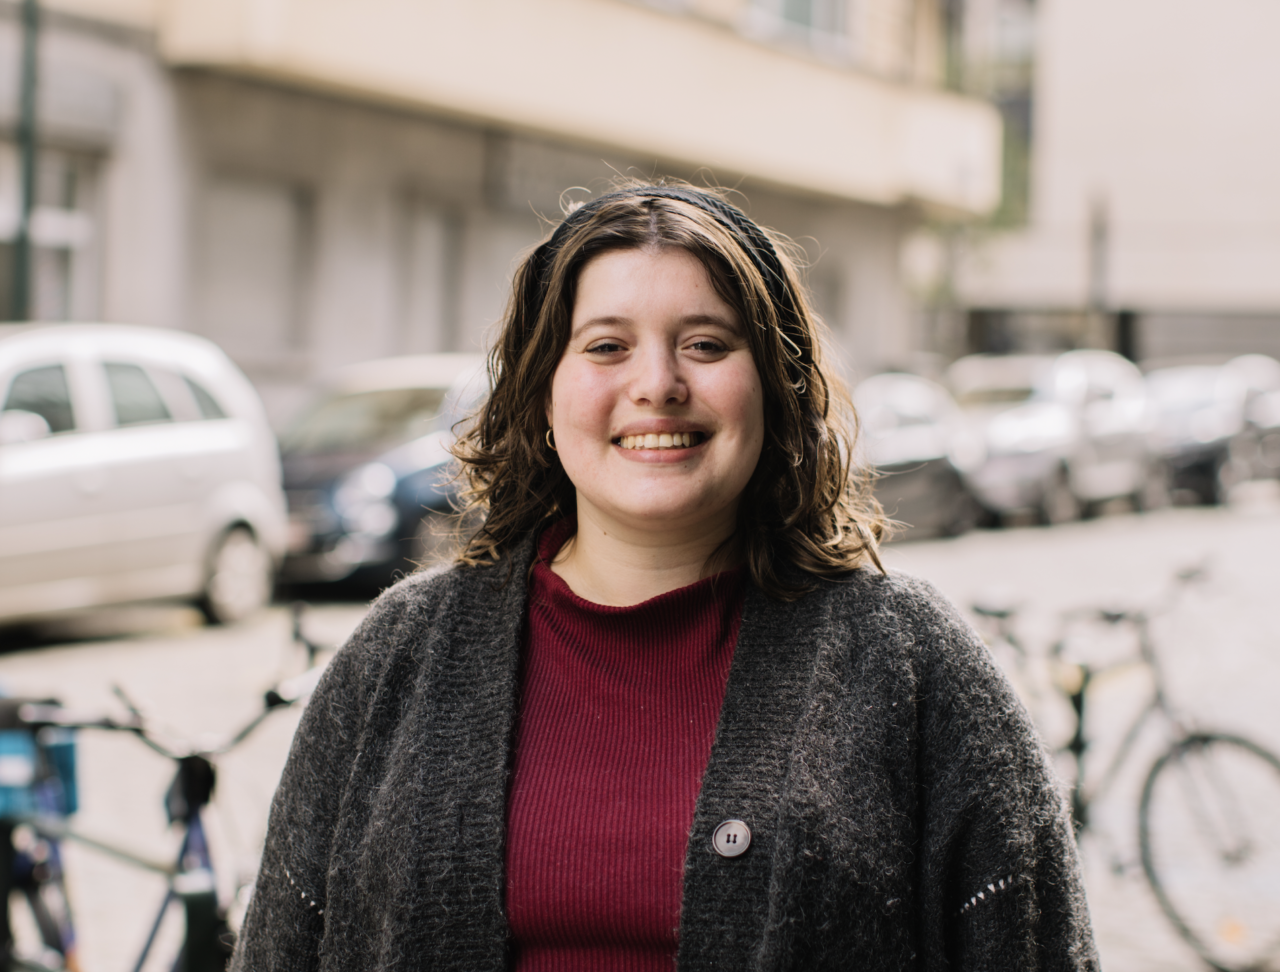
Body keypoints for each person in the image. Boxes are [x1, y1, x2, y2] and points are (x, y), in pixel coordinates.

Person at [232, 182, 1098, 971]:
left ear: (775, 387)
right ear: (542, 394)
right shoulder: (402, 655)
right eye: (606, 346)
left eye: (706, 344)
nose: (658, 384)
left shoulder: (910, 664)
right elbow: (281, 946)